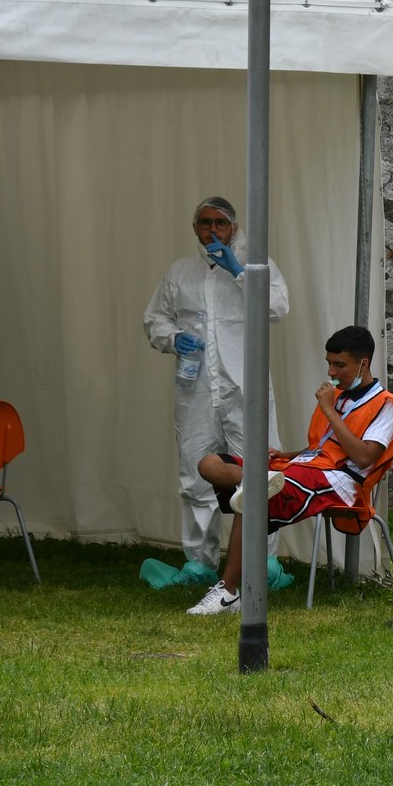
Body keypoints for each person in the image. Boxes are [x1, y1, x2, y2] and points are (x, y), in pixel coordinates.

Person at [186, 326, 393, 615]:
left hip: (340, 483)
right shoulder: (338, 396)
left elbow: (363, 457)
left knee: (250, 496)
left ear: (363, 363)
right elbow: (324, 448)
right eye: (329, 363)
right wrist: (286, 455)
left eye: (339, 365)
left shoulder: (387, 405)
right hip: (303, 469)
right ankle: (261, 481)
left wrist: (329, 411)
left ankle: (228, 593)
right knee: (210, 463)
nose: (331, 372)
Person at [143, 196, 289, 574]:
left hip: (246, 388)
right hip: (196, 390)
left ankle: (263, 563)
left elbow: (277, 308)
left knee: (261, 473)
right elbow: (155, 318)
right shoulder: (180, 272)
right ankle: (200, 564)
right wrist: (174, 338)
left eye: (220, 223)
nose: (212, 230)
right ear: (195, 228)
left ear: (234, 227)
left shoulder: (258, 266)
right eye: (205, 223)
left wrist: (240, 271)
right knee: (194, 476)